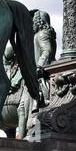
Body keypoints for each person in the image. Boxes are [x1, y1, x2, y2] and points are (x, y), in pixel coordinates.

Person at [17, 10, 56, 139]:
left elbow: (47, 51)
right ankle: (23, 139)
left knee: (31, 110)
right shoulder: (39, 34)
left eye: (33, 19)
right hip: (32, 76)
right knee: (22, 109)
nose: (31, 22)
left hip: (38, 77)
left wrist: (38, 66)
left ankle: (30, 138)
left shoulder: (42, 34)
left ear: (39, 20)